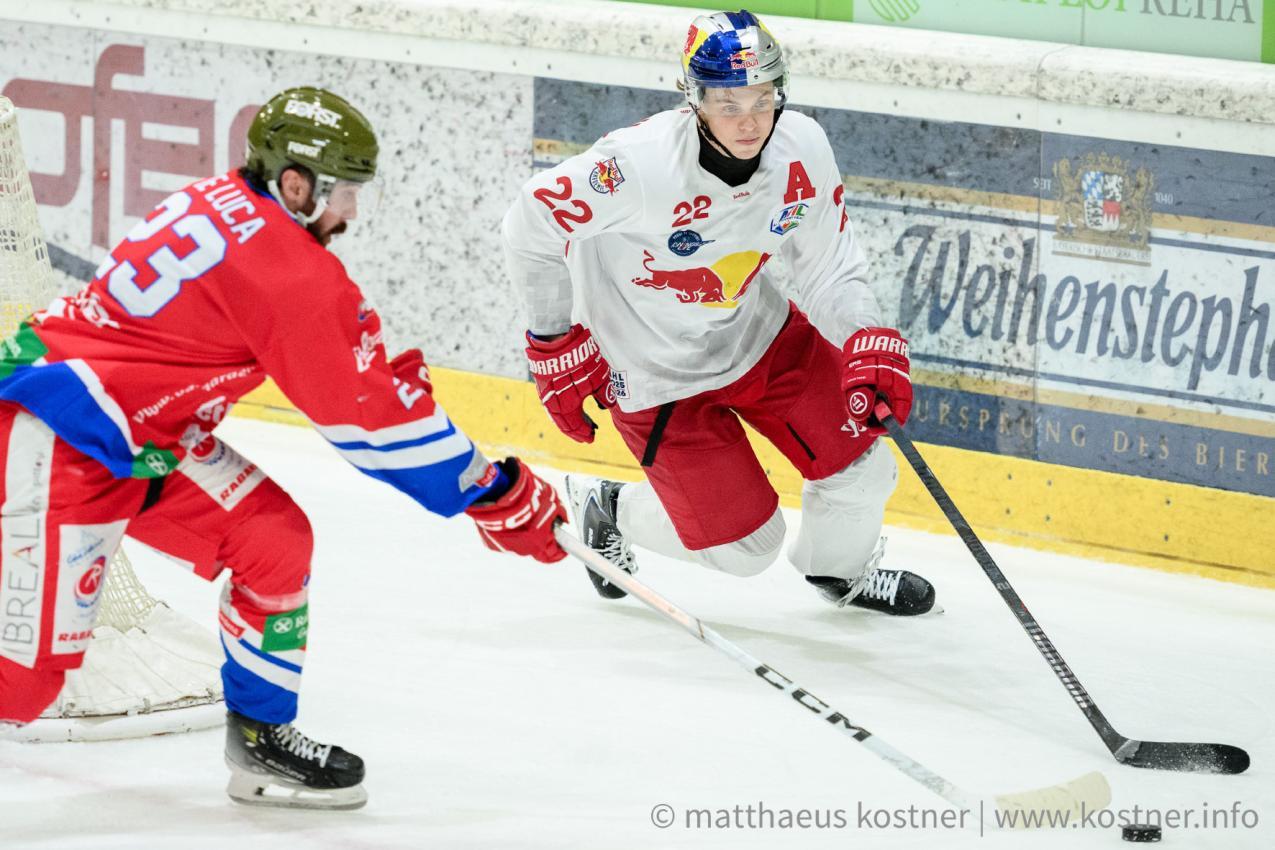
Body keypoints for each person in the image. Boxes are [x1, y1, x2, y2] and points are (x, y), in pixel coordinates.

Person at [0, 87, 566, 810]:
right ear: (297, 184)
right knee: (23, 688)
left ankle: (262, 742)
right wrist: (496, 492)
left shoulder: (229, 205)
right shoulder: (285, 268)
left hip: (142, 435)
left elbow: (359, 375)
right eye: (344, 194)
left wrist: (424, 421)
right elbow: (368, 423)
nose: (350, 214)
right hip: (60, 439)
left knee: (271, 538)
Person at [502, 11, 935, 616]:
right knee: (746, 549)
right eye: (729, 103)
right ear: (695, 98)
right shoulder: (637, 165)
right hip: (654, 377)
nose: (750, 120)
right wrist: (551, 339)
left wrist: (864, 335)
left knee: (864, 468)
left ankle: (840, 574)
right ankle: (609, 506)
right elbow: (531, 219)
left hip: (757, 336)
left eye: (763, 98)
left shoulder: (801, 147)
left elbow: (828, 268)